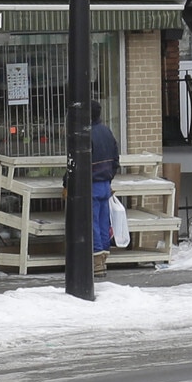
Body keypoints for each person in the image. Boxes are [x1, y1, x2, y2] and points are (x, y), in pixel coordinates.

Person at [89, 101, 119, 278]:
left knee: (92, 222)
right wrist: (109, 176)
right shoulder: (107, 132)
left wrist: (67, 183)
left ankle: (96, 260)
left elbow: (79, 163)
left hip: (91, 184)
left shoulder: (87, 135)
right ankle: (103, 259)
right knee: (103, 222)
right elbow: (116, 159)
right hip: (106, 183)